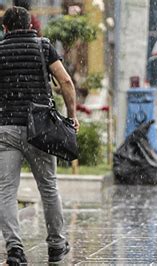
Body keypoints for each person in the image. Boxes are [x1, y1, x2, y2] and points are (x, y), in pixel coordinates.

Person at [0, 6, 79, 265]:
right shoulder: (43, 46)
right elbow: (66, 81)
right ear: (31, 25)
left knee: (6, 192)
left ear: (5, 28)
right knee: (48, 187)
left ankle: (15, 249)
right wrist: (72, 115)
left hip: (6, 128)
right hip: (40, 128)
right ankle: (56, 244)